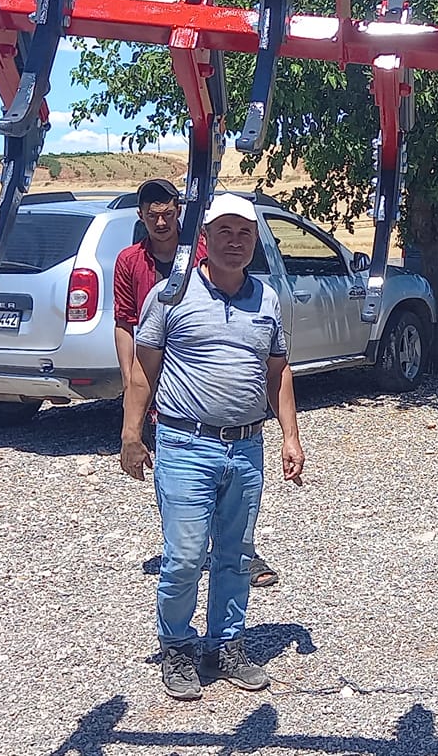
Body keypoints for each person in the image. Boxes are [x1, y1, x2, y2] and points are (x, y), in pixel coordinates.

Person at [120, 192, 306, 701]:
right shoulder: (172, 294)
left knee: (235, 554)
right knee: (184, 556)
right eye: (224, 231)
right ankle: (177, 647)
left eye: (244, 233)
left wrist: (290, 436)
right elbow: (142, 372)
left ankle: (225, 645)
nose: (235, 242)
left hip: (246, 448)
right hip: (186, 444)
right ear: (204, 237)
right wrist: (132, 435)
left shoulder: (266, 298)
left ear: (255, 241)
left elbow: (278, 370)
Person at [111, 178, 281, 588]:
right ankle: (186, 551)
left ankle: (238, 554)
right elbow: (124, 322)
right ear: (142, 217)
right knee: (180, 476)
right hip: (158, 378)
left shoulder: (205, 252)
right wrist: (131, 382)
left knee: (229, 489)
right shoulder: (130, 262)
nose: (161, 222)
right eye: (153, 216)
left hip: (205, 378)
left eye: (168, 214)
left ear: (179, 214)